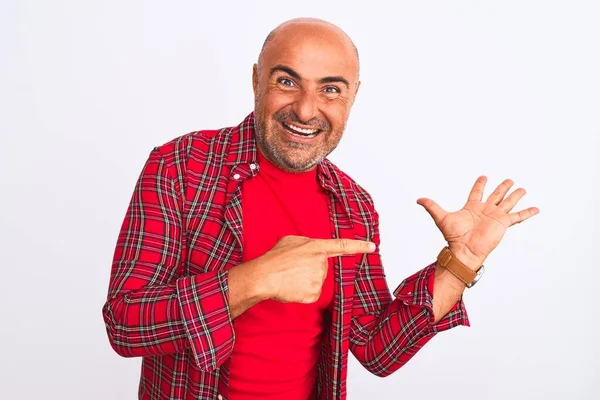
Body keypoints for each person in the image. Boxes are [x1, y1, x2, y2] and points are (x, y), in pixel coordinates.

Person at [102, 18, 539, 400]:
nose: (307, 109)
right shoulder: (181, 167)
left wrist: (462, 261)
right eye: (287, 81)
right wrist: (254, 279)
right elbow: (125, 323)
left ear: (352, 96)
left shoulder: (353, 204)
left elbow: (376, 349)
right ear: (257, 80)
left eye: (330, 89)